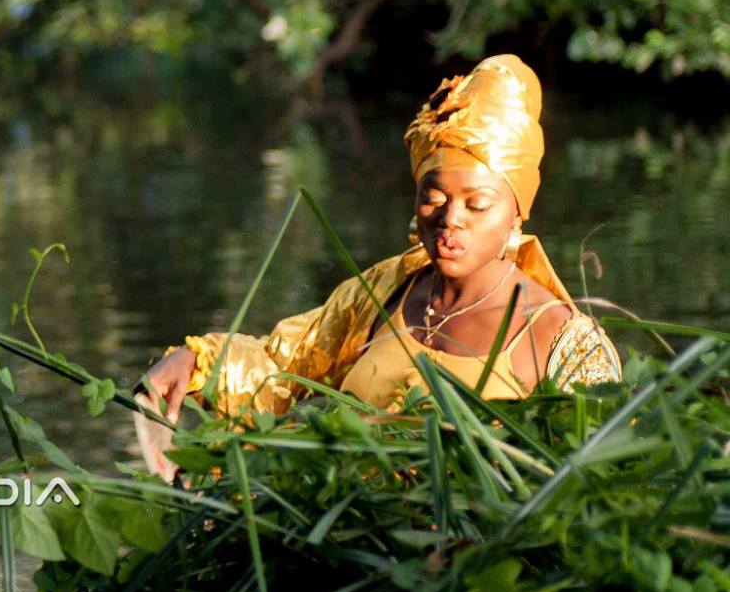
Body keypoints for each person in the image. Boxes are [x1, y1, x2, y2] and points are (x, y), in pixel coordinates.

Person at [136, 54, 622, 479]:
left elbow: (601, 476)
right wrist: (194, 363)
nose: (450, 218)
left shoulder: (565, 345)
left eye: (477, 204)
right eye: (434, 197)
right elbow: (281, 369)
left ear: (517, 213)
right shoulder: (384, 290)